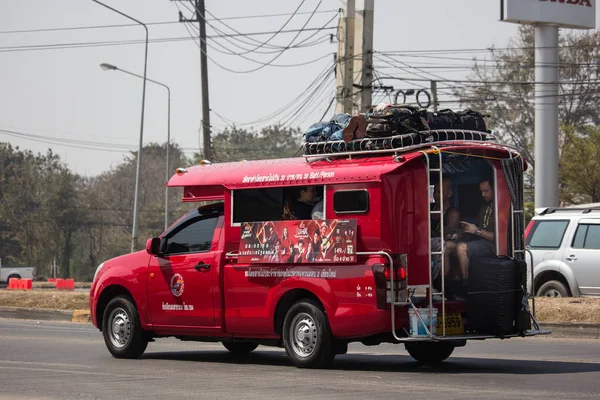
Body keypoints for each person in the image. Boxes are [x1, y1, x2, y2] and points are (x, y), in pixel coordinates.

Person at [455, 177, 496, 291]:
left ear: (495, 189)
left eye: (486, 191)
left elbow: (497, 237)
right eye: (481, 191)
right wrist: (468, 229)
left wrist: (476, 230)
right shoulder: (484, 207)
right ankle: (451, 284)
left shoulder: (500, 209)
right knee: (452, 245)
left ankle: (467, 286)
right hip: (480, 241)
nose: (483, 194)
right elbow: (479, 227)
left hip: (492, 247)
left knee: (462, 248)